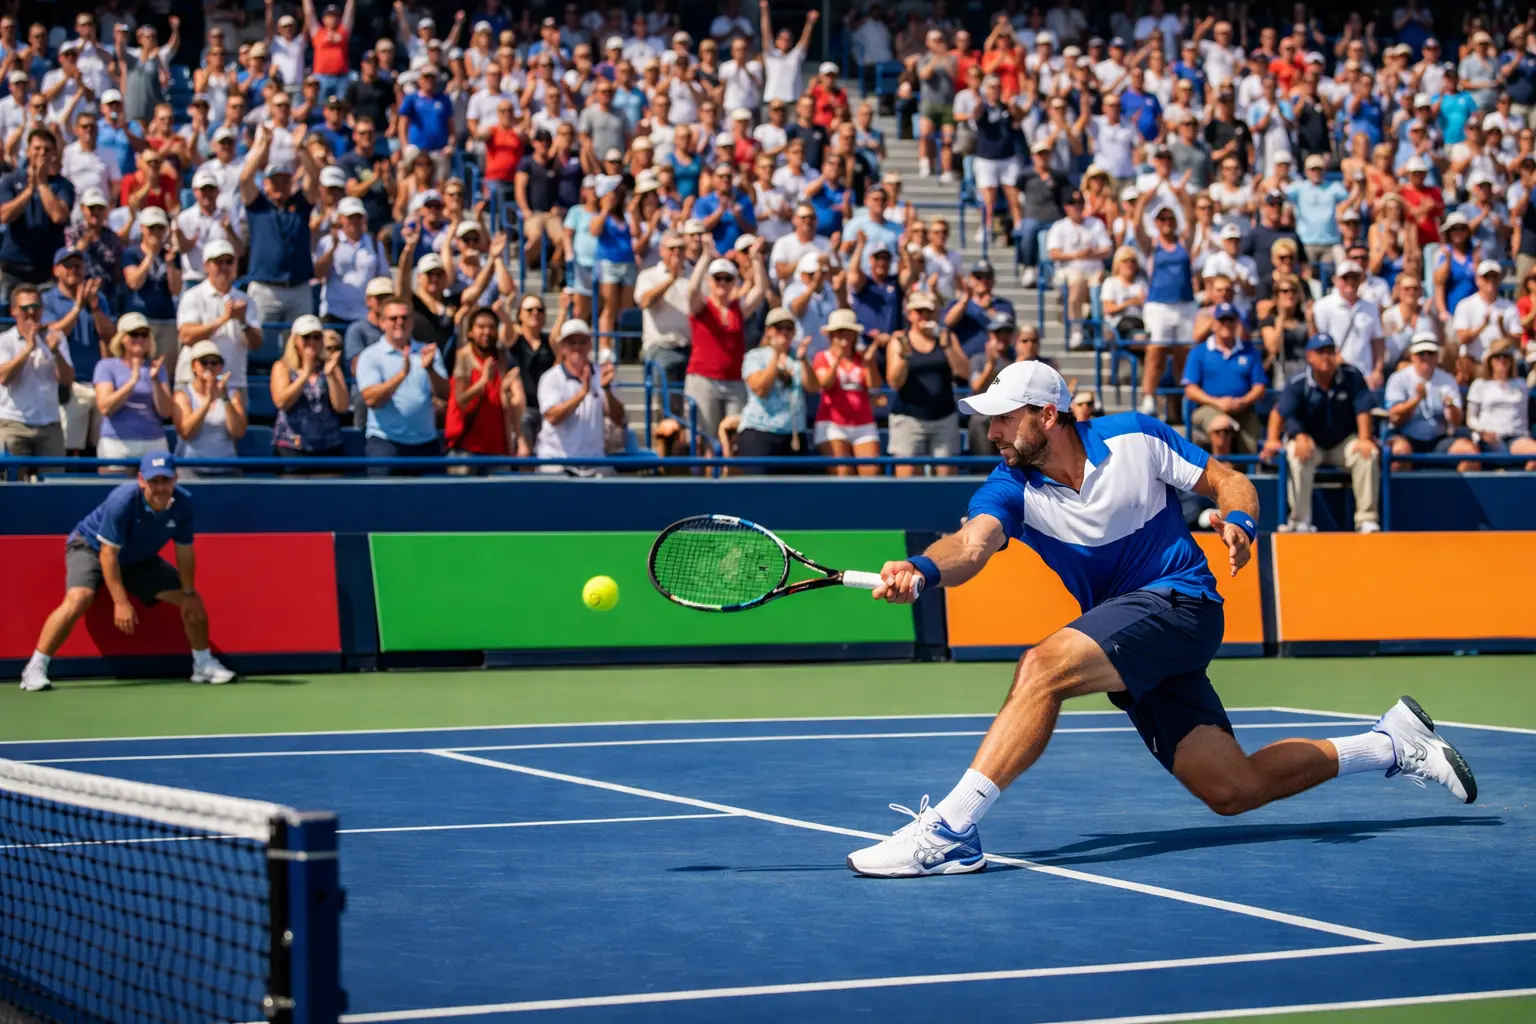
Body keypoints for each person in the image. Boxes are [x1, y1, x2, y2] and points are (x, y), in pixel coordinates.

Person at [845, 360, 1476, 877]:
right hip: (1129, 632)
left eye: (1005, 418)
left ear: (1048, 415)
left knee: (1042, 667)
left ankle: (952, 830)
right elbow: (971, 544)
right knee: (1233, 789)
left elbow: (1228, 481)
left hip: (1182, 603)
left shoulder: (1136, 439)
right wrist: (922, 570)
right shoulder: (1011, 486)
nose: (994, 433)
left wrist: (1240, 521)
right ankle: (1391, 744)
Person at [18, 453, 238, 692]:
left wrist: (188, 592)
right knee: (79, 597)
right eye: (154, 481)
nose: (160, 487)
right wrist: (121, 601)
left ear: (175, 479)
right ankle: (35, 667)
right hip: (91, 547)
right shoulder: (122, 500)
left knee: (193, 602)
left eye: (166, 480)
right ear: (141, 480)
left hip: (137, 558)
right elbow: (108, 554)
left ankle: (203, 664)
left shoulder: (183, 503)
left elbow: (184, 552)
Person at [1262, 335, 1381, 533]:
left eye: (1330, 351)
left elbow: (1363, 408)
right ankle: (1300, 521)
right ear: (1309, 356)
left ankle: (1366, 519)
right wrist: (1274, 439)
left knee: (1368, 454)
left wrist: (1365, 438)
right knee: (1296, 454)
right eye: (1320, 352)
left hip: (1343, 442)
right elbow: (1279, 412)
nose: (1326, 357)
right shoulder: (1299, 381)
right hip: (1310, 442)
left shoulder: (1352, 376)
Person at [356, 294, 449, 474]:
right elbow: (371, 399)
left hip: (426, 443)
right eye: (393, 318)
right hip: (385, 443)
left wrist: (430, 369)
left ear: (412, 321)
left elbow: (445, 394)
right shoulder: (370, 355)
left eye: (405, 317)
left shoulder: (428, 352)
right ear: (382, 322)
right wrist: (402, 375)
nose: (400, 322)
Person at [686, 246, 766, 453]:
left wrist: (756, 259)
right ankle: (708, 475)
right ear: (710, 281)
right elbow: (692, 289)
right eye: (717, 278)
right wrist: (705, 257)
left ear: (734, 282)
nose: (722, 282)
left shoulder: (737, 309)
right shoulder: (701, 307)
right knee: (707, 438)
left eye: (727, 278)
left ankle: (729, 473)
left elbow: (760, 290)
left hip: (734, 381)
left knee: (735, 438)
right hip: (703, 379)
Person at [883, 292, 970, 476]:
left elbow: (964, 372)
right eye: (919, 311)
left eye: (929, 311)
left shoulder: (946, 337)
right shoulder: (900, 339)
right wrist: (905, 356)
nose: (924, 316)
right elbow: (894, 382)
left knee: (947, 478)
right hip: (909, 419)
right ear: (910, 314)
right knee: (907, 480)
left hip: (943, 417)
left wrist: (947, 346)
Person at [535, 318, 626, 475]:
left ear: (590, 345)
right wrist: (582, 393)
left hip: (594, 461)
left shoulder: (602, 374)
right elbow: (552, 417)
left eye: (582, 342)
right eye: (572, 342)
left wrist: (606, 390)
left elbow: (618, 418)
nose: (577, 347)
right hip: (556, 461)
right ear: (563, 347)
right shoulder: (551, 378)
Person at [0, 284, 72, 474]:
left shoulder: (56, 338)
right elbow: (4, 378)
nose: (31, 312)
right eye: (25, 308)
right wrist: (28, 349)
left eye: (36, 307)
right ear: (14, 310)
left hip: (50, 424)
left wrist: (55, 352)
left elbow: (67, 380)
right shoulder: (4, 340)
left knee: (54, 484)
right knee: (12, 484)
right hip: (13, 423)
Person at [175, 242, 263, 393]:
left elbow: (256, 344)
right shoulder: (193, 296)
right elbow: (187, 336)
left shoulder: (245, 300)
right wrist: (223, 319)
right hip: (194, 382)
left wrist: (243, 322)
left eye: (229, 261)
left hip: (233, 381)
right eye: (218, 262)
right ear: (206, 266)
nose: (224, 267)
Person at [737, 306, 818, 470]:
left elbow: (813, 388)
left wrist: (804, 360)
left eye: (789, 328)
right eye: (779, 328)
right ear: (769, 331)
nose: (784, 333)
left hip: (793, 434)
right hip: (760, 432)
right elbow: (760, 390)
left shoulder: (798, 357)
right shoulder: (755, 356)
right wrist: (776, 355)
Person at [1383, 335, 1479, 471]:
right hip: (1406, 435)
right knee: (1399, 453)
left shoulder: (1447, 380)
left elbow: (1456, 422)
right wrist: (1416, 400)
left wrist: (1450, 406)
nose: (1426, 358)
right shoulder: (1398, 378)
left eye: (1431, 353)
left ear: (1437, 356)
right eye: (1421, 354)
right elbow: (1394, 416)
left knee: (1471, 454)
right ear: (1412, 355)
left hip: (1440, 438)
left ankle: (1456, 485)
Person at [1181, 303, 1268, 452]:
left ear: (1237, 324)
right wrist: (1217, 402)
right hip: (1207, 407)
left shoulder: (1250, 352)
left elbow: (1259, 387)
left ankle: (1245, 465)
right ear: (1214, 324)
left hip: (1243, 409)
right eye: (1222, 321)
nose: (1226, 325)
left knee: (1252, 443)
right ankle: (1222, 465)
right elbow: (1190, 389)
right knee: (1221, 427)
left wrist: (1242, 402)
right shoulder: (1199, 352)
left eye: (1231, 321)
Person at [446, 305, 526, 466]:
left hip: (498, 450)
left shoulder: (502, 359)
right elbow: (461, 400)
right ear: (470, 332)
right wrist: (483, 381)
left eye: (491, 327)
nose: (487, 332)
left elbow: (515, 403)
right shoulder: (463, 358)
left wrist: (519, 439)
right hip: (466, 450)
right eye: (481, 327)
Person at [94, 313, 173, 470]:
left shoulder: (157, 368)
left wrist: (156, 380)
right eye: (134, 334)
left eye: (144, 335)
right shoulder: (106, 366)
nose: (140, 339)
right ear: (122, 338)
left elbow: (166, 412)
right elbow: (105, 407)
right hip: (116, 444)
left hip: (153, 442)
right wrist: (132, 381)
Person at [812, 307, 883, 476]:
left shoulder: (861, 359)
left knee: (872, 471)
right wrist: (837, 359)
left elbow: (874, 385)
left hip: (863, 423)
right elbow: (825, 384)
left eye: (847, 332)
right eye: (838, 333)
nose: (843, 338)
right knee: (842, 471)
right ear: (831, 336)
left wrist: (870, 363)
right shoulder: (822, 357)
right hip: (832, 424)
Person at [272, 316, 349, 469]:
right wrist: (305, 374)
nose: (312, 342)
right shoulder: (283, 367)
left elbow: (342, 407)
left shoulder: (331, 367)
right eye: (306, 337)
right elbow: (281, 402)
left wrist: (330, 375)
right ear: (295, 340)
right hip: (292, 445)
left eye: (316, 337)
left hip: (328, 445)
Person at [173, 339, 247, 478]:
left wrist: (224, 398)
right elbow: (187, 432)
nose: (209, 366)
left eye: (214, 362)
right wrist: (207, 401)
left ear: (221, 366)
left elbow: (238, 432)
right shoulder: (183, 395)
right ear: (193, 366)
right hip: (191, 469)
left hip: (227, 468)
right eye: (204, 362)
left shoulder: (233, 395)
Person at [1465, 340, 1536, 470]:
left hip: (1517, 436)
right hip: (1489, 437)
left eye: (1506, 356)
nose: (1502, 360)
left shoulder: (1521, 384)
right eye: (1497, 356)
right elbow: (1471, 418)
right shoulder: (1479, 384)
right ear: (1490, 360)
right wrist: (1482, 430)